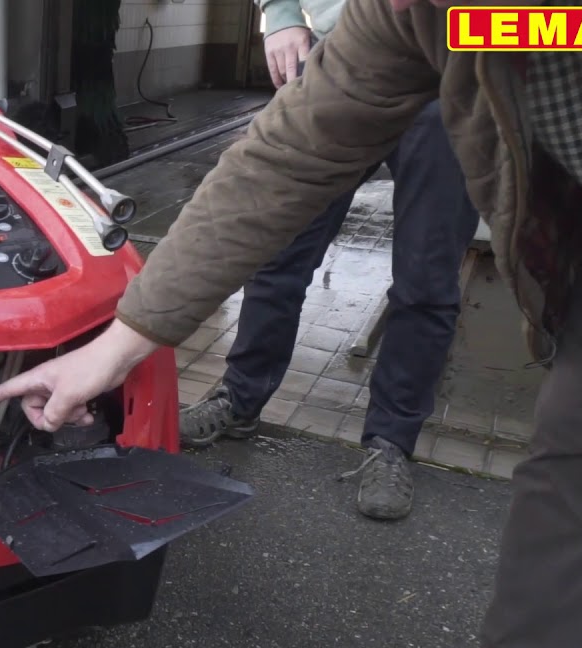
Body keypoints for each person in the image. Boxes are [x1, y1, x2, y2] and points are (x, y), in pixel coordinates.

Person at [0, 0, 582, 648]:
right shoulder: (416, 15)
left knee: (428, 281)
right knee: (579, 451)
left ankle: (391, 441)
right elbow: (281, 163)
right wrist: (117, 348)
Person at [179, 0, 478, 522]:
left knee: (426, 281)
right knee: (279, 253)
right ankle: (241, 398)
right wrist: (282, 12)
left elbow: (577, 26)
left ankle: (391, 441)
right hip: (338, 60)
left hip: (454, 70)